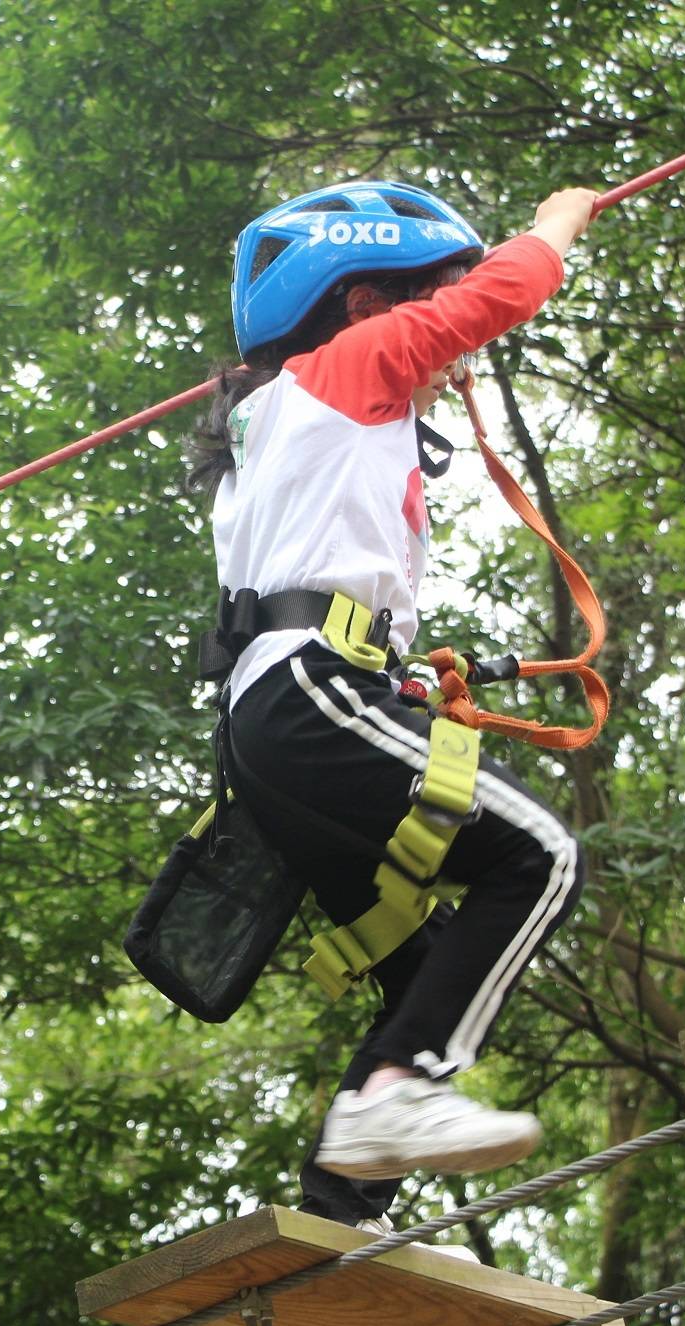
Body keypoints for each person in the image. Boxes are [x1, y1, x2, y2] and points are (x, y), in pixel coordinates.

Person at [188, 179, 597, 1232]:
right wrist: (557, 223)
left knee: (414, 946)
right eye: (423, 302)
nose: (443, 340)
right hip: (307, 692)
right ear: (366, 306)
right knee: (537, 855)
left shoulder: (272, 421)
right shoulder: (347, 369)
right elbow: (499, 293)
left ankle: (345, 1208)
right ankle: (399, 1091)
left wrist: (400, 680)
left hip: (280, 716)